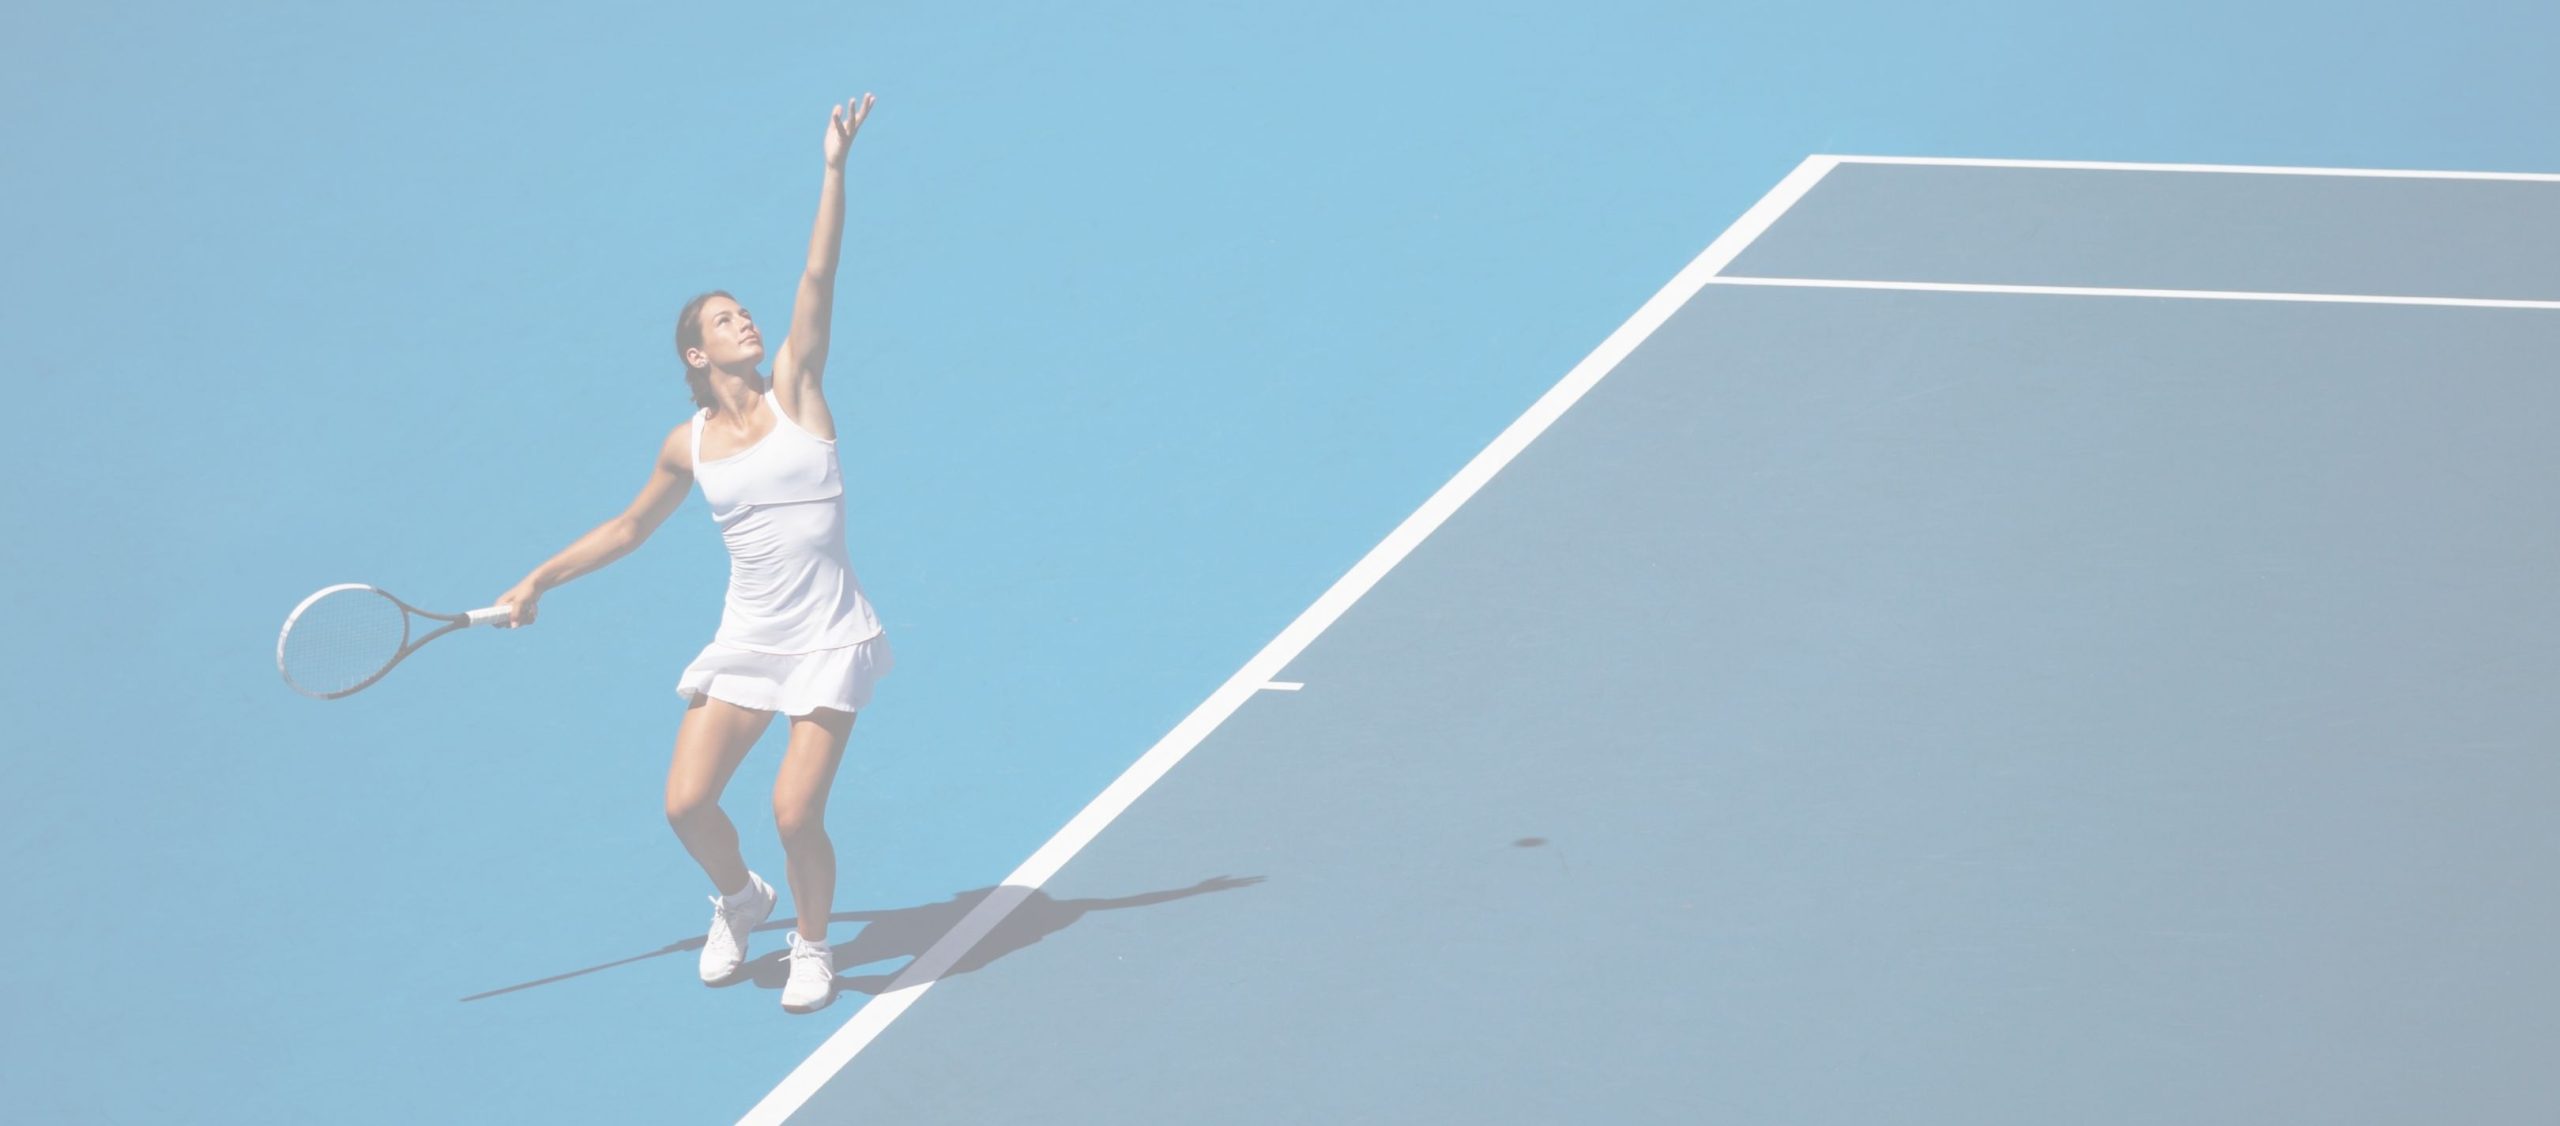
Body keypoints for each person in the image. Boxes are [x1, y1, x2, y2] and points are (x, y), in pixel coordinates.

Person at [492, 92, 885, 1014]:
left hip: (829, 638)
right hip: (750, 639)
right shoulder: (689, 445)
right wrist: (537, 579)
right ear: (695, 354)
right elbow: (628, 529)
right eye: (724, 320)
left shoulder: (799, 389)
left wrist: (833, 169)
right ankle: (744, 900)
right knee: (686, 805)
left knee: (796, 812)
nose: (745, 322)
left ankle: (815, 945)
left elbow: (817, 283)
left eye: (746, 313)